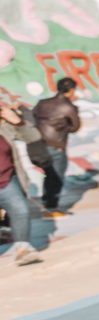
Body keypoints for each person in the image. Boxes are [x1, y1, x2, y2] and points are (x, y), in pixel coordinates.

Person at [0, 98, 43, 265]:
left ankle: (22, 250)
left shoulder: (5, 127)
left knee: (21, 211)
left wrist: (17, 121)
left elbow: (34, 137)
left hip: (7, 180)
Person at [33, 77, 81, 218]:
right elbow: (75, 127)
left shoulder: (42, 103)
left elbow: (33, 117)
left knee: (49, 175)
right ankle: (51, 208)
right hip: (57, 145)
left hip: (40, 144)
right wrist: (64, 126)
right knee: (56, 177)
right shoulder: (68, 107)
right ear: (71, 90)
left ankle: (45, 203)